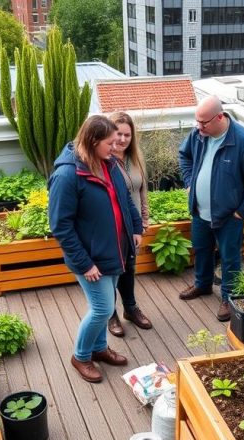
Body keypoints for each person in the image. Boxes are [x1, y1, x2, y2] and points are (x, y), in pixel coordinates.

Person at [49, 115, 144, 384]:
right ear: (93, 142)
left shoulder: (109, 163)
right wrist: (84, 263)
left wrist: (135, 228)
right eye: (110, 143)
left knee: (106, 302)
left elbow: (125, 199)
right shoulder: (67, 175)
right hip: (91, 259)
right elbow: (61, 226)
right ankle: (81, 356)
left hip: (115, 250)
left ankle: (99, 348)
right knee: (102, 309)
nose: (116, 147)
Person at [177, 96, 244, 321]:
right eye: (197, 121)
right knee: (201, 249)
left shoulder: (243, 142)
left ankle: (230, 298)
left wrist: (241, 211)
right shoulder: (198, 135)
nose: (198, 127)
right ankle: (203, 284)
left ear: (220, 117)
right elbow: (184, 156)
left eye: (203, 122)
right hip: (200, 210)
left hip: (229, 215)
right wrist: (189, 183)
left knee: (229, 257)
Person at [107, 111, 153, 337]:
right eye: (118, 134)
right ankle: (110, 313)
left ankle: (130, 308)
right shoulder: (104, 161)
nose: (123, 139)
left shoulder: (135, 158)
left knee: (129, 268)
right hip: (114, 226)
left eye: (127, 135)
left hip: (133, 226)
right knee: (113, 270)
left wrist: (144, 220)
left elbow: (143, 190)